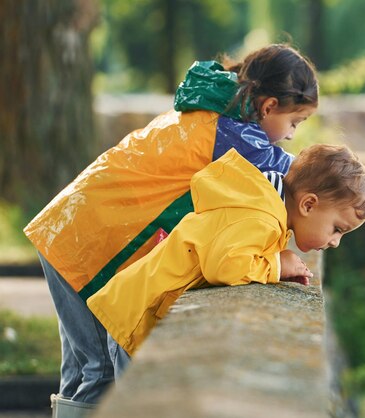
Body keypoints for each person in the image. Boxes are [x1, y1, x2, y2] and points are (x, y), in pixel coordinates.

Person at [24, 44, 322, 416]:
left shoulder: (216, 109)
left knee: (83, 367)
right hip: (87, 241)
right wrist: (356, 188)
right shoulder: (233, 134)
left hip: (71, 227)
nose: (293, 135)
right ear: (268, 107)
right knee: (98, 370)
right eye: (295, 123)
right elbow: (301, 181)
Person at [86, 144, 365, 374]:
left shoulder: (262, 206)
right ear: (308, 204)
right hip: (138, 313)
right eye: (337, 229)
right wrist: (275, 266)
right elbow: (225, 267)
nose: (335, 242)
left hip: (142, 303)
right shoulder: (259, 216)